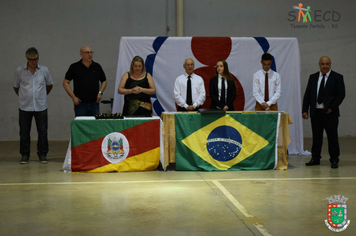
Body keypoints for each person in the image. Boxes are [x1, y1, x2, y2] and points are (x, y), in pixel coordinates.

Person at [302, 56, 345, 169]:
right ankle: (315, 158)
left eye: (327, 64)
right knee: (316, 137)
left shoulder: (337, 77)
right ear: (319, 64)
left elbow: (341, 95)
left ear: (330, 64)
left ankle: (334, 159)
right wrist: (305, 110)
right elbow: (307, 95)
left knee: (332, 137)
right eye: (322, 64)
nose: (325, 66)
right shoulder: (313, 77)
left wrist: (332, 107)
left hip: (330, 113)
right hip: (316, 113)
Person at [13, 47, 53, 164]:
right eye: (31, 59)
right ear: (27, 59)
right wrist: (25, 96)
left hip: (41, 106)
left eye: (35, 59)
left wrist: (41, 96)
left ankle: (42, 154)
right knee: (24, 131)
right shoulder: (20, 70)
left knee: (43, 131)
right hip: (25, 106)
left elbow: (49, 85)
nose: (33, 61)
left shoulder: (44, 70)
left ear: (38, 58)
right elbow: (16, 86)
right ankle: (25, 154)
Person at [63, 46, 107, 116]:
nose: (89, 55)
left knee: (95, 125)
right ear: (81, 54)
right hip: (80, 103)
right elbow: (65, 82)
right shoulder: (74, 67)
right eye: (87, 53)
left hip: (94, 102)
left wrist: (100, 92)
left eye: (91, 52)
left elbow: (104, 81)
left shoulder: (97, 66)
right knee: (81, 125)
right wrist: (73, 97)